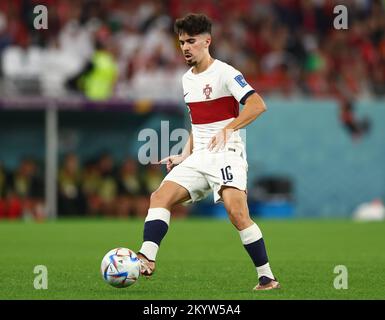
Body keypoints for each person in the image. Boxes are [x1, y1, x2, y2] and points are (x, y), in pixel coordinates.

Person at [136, 13, 280, 291]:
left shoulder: (226, 73)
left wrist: (229, 128)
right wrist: (182, 155)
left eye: (191, 41)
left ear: (207, 41)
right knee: (159, 197)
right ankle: (147, 258)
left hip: (227, 152)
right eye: (181, 42)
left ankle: (266, 276)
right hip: (199, 156)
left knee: (237, 213)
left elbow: (257, 105)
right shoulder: (186, 80)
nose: (186, 47)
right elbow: (197, 124)